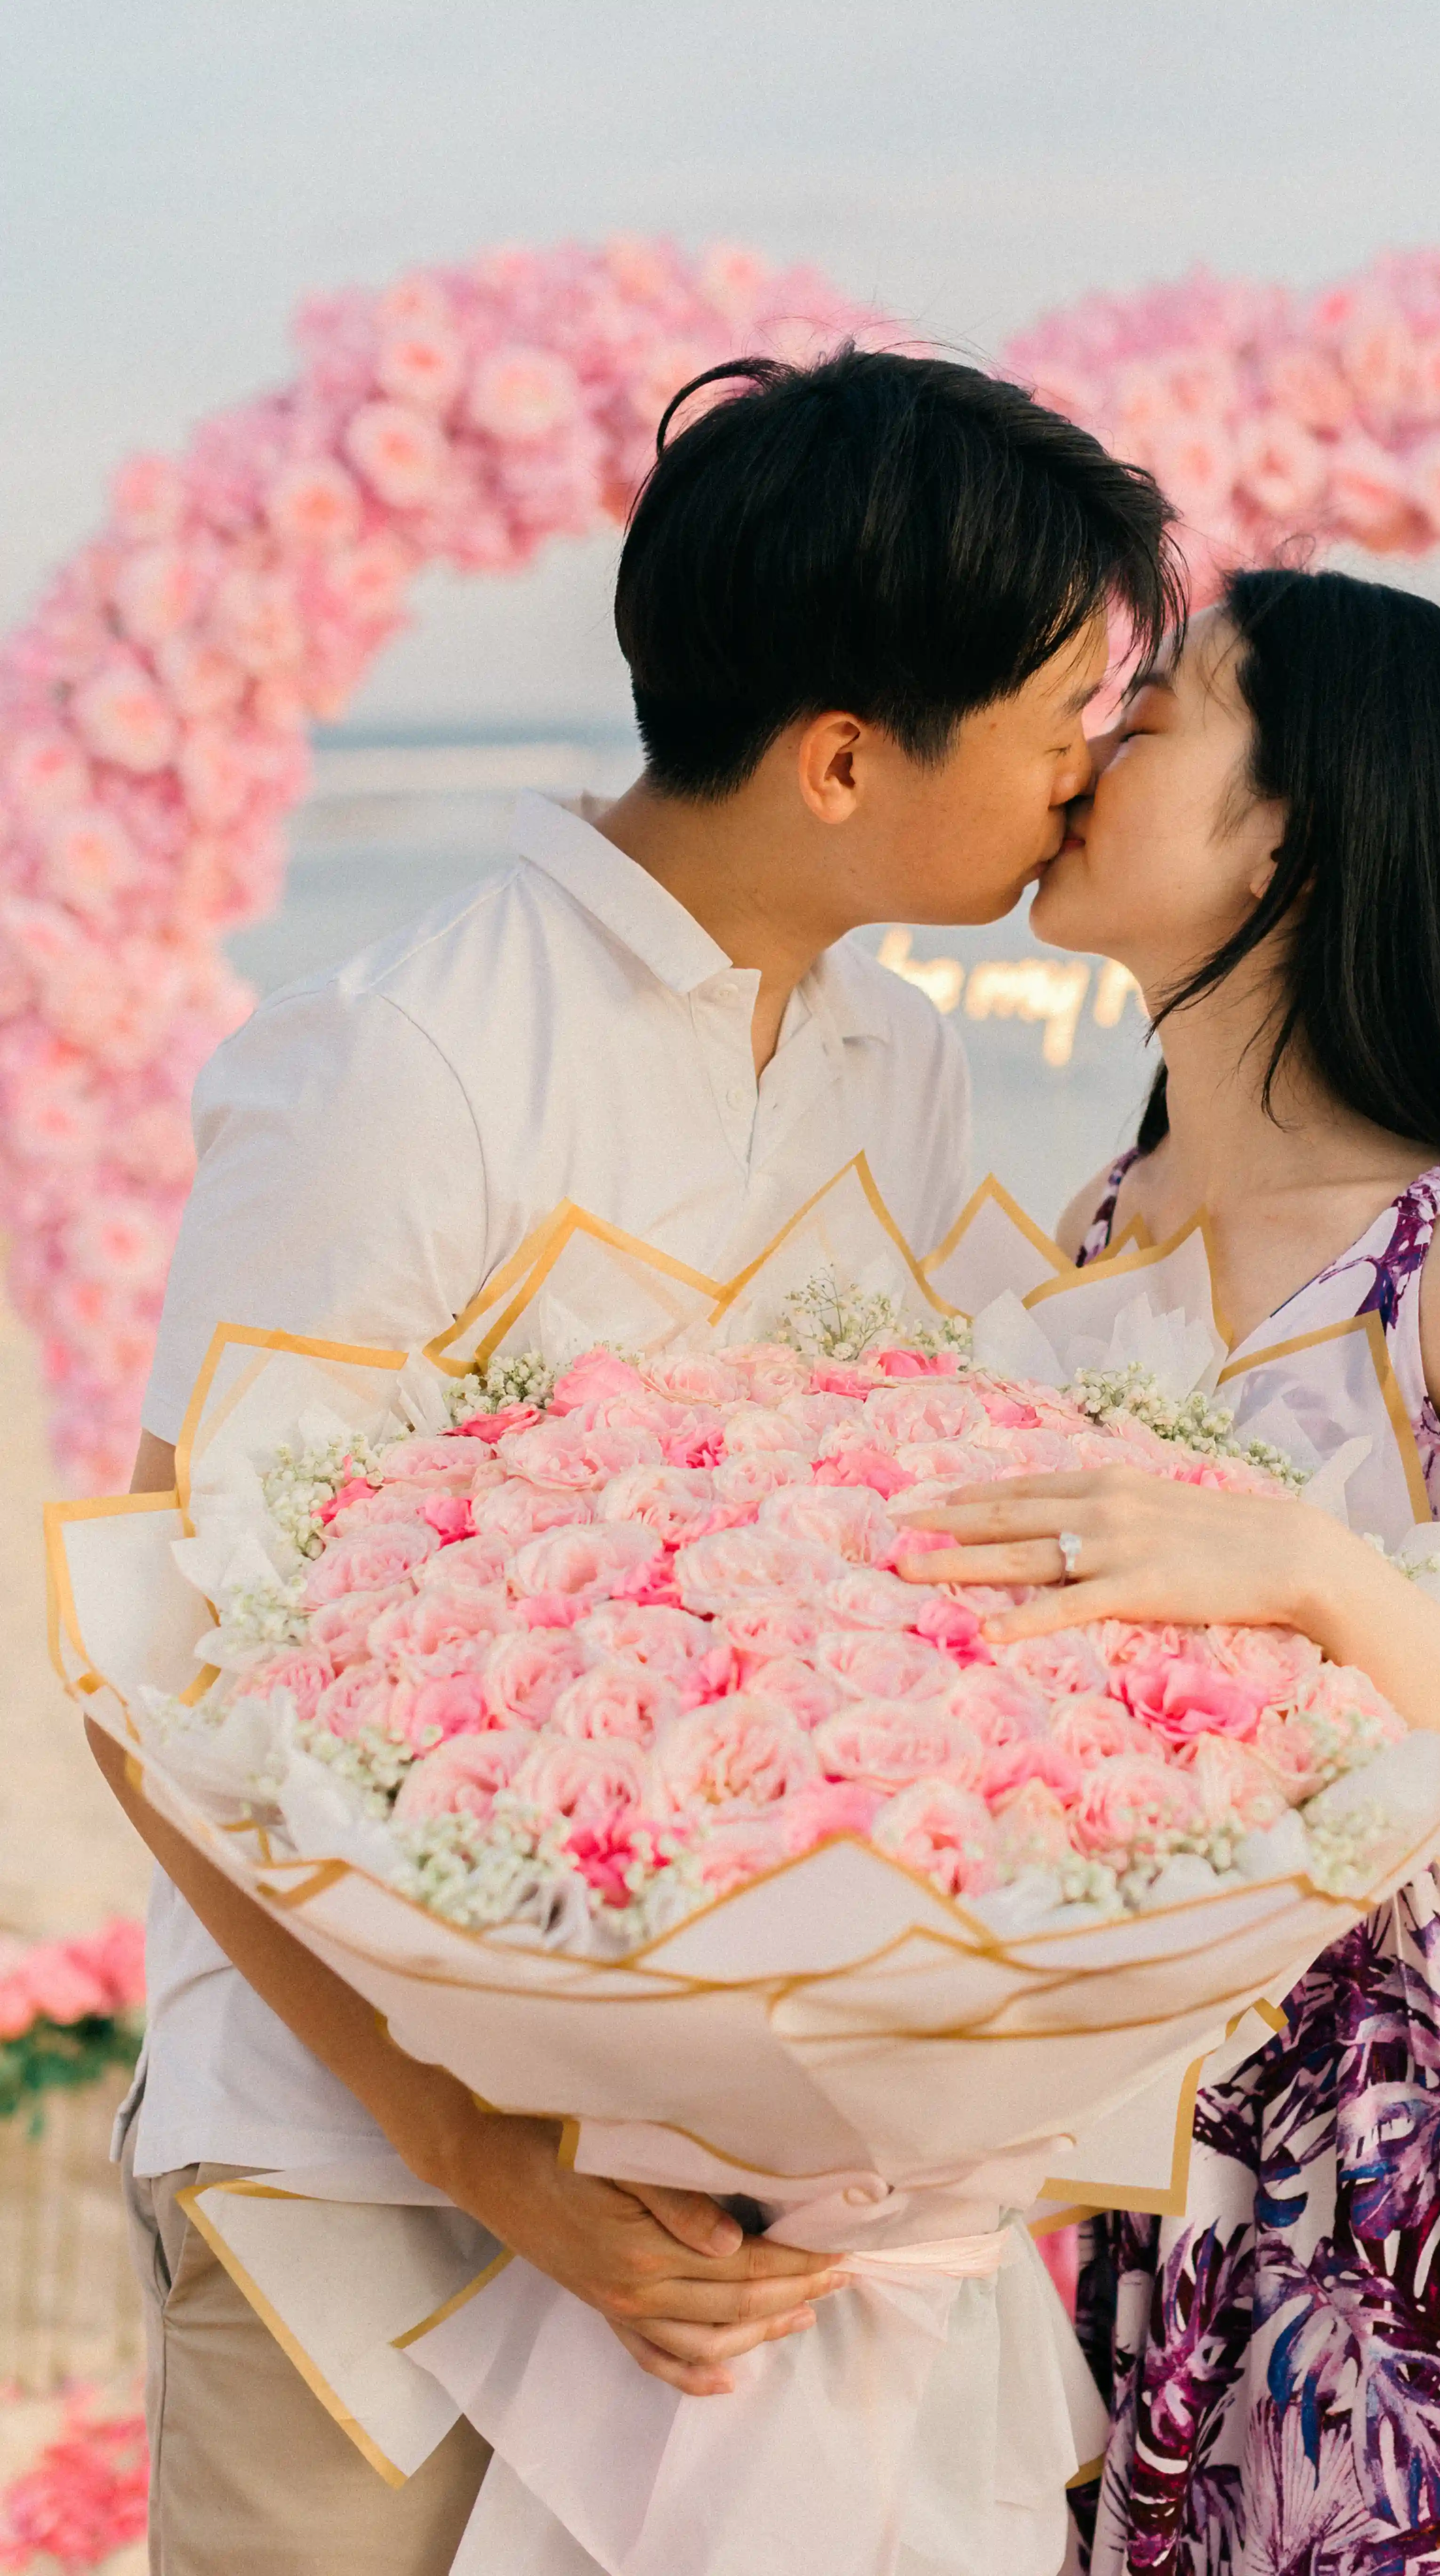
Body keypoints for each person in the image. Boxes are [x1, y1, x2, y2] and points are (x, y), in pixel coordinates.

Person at [95, 345, 1179, 2576]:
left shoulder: (903, 1064)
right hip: (368, 2210)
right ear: (849, 757)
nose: (1096, 764)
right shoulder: (406, 1063)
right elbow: (159, 1691)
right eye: (1063, 710)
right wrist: (493, 2165)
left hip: (728, 2248)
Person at [898, 568, 1440, 2575]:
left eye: (1158, 716)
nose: (1089, 749)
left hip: (1419, 2164)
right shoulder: (1078, 1239)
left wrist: (1311, 1577)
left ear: (1297, 830)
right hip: (1135, 2163)